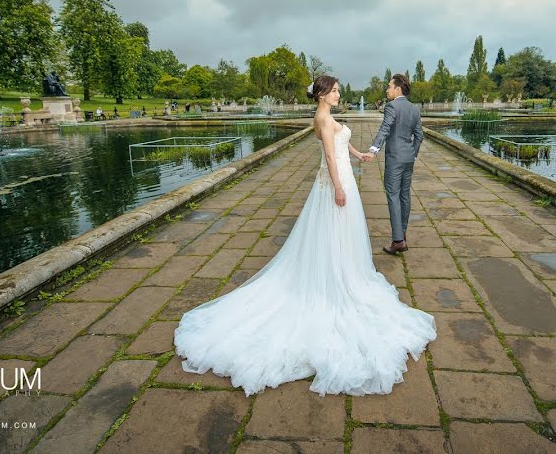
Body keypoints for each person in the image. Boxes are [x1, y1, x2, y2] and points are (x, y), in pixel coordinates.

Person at [174, 75, 436, 397]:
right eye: (336, 90)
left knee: (344, 238)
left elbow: (341, 143)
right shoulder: (321, 119)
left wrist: (358, 154)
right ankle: (334, 280)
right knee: (332, 233)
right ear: (323, 95)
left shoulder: (330, 117)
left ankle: (344, 272)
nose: (340, 93)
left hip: (345, 178)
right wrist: (339, 187)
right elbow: (328, 156)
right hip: (335, 185)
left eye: (340, 89)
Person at [367, 74, 424, 254]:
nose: (387, 89)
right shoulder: (414, 108)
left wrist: (374, 149)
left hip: (395, 159)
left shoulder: (391, 106)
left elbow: (385, 128)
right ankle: (403, 234)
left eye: (389, 86)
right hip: (408, 158)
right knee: (404, 196)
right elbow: (419, 135)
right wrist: (412, 154)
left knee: (393, 195)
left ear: (398, 89)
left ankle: (398, 240)